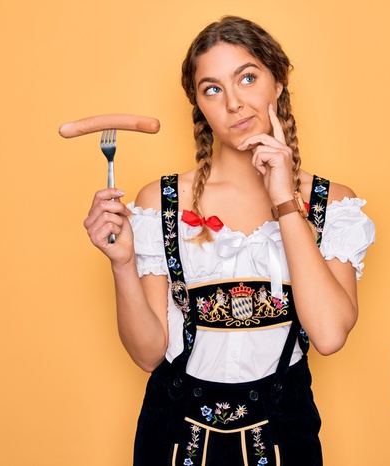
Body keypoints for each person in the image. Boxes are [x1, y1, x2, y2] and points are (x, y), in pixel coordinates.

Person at [83, 15, 375, 466]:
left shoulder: (330, 204)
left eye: (248, 78)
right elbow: (147, 354)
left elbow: (330, 334)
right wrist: (121, 263)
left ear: (278, 83)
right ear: (199, 105)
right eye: (213, 89)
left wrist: (283, 200)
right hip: (174, 437)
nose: (234, 103)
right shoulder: (159, 202)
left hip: (284, 436)